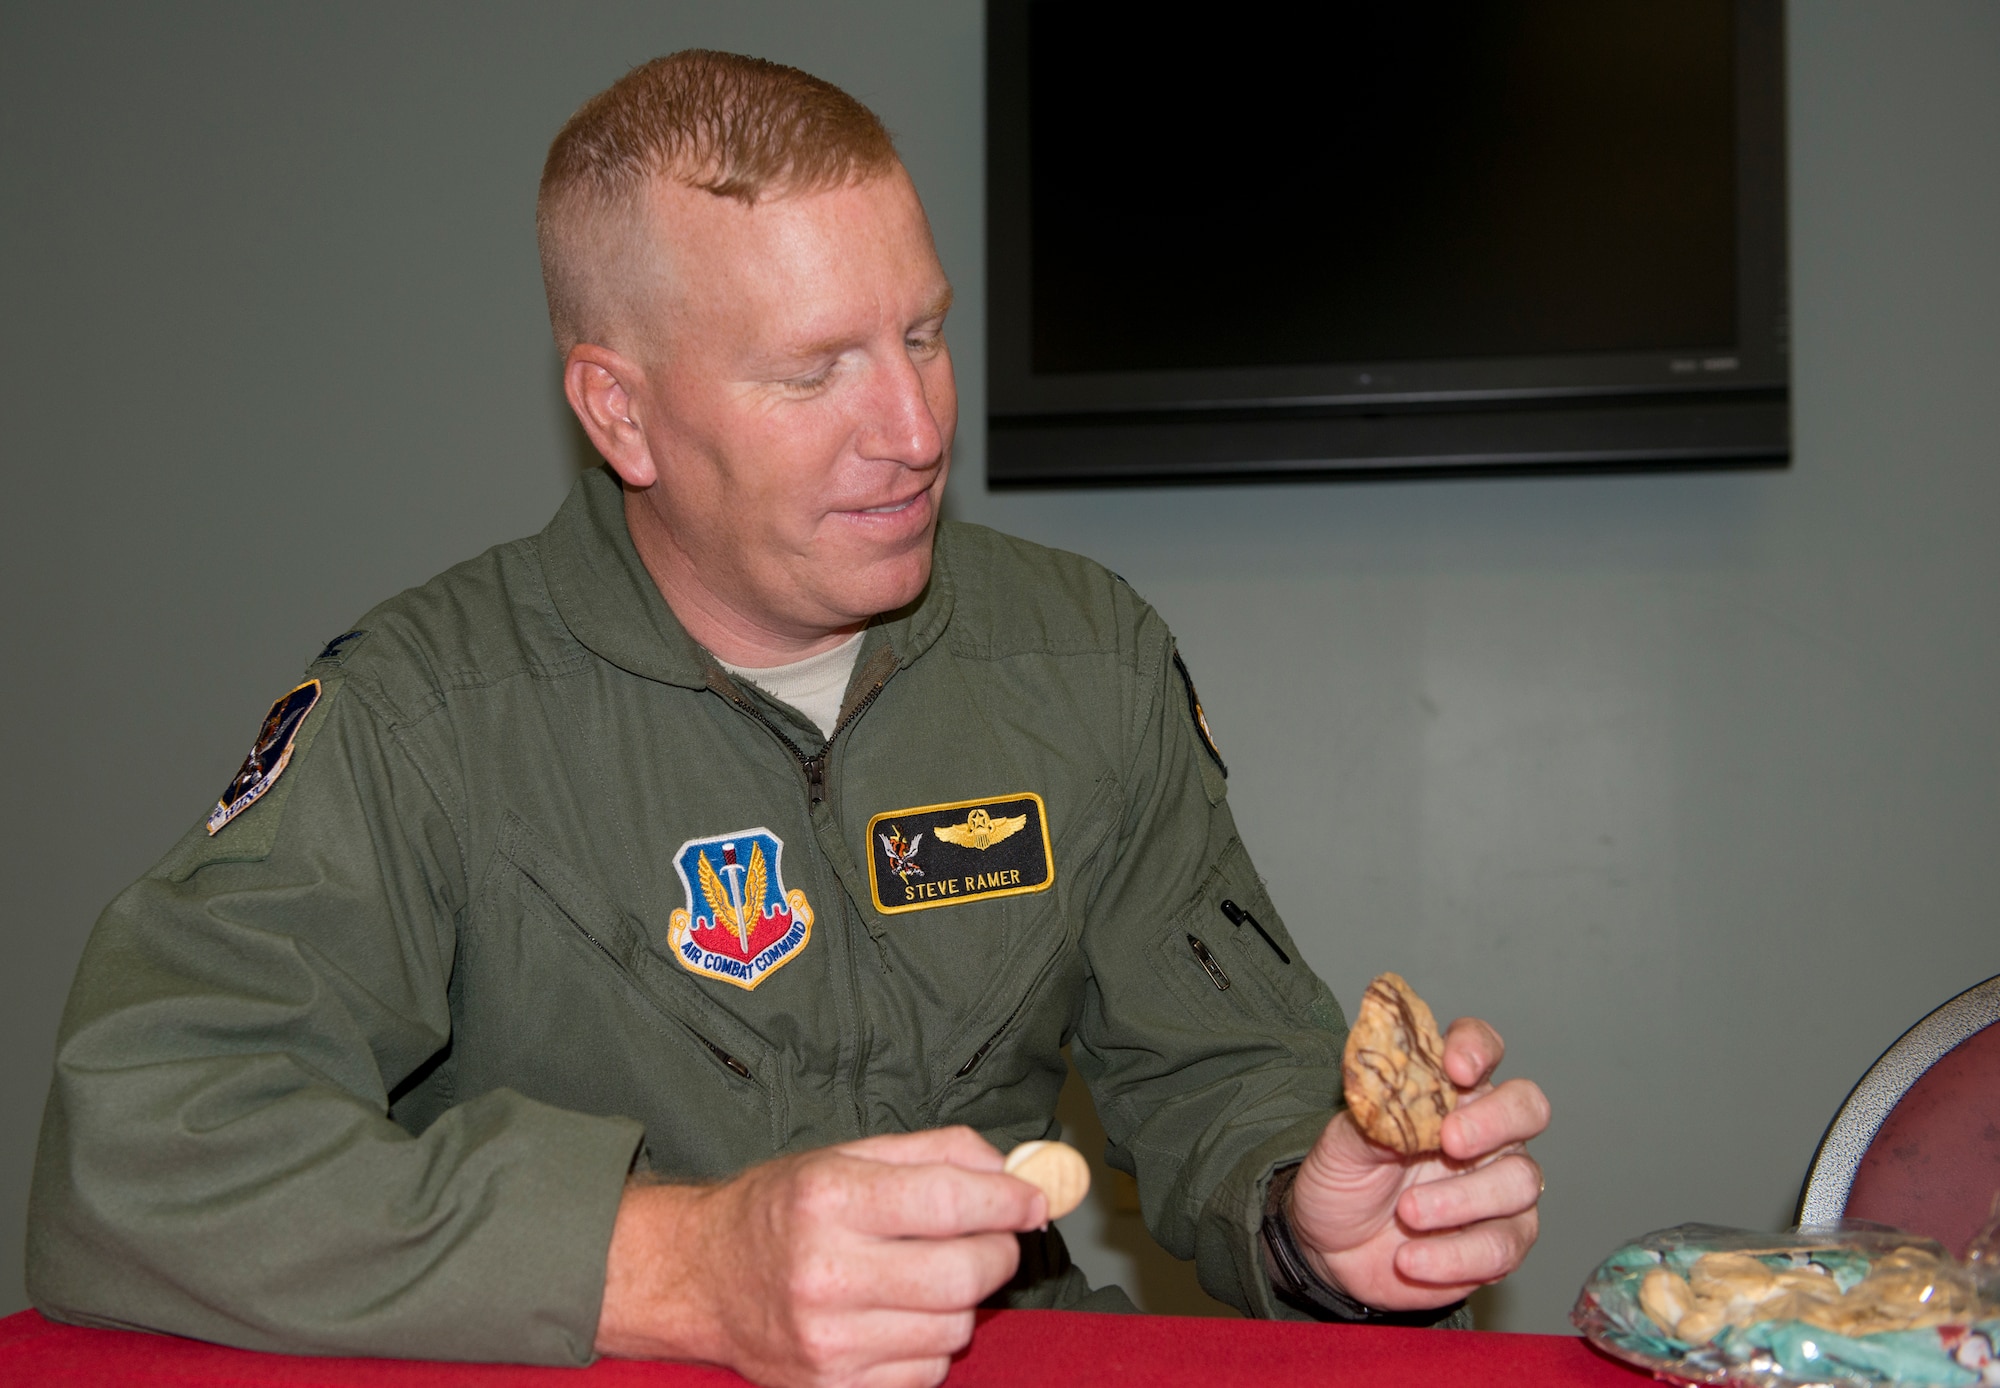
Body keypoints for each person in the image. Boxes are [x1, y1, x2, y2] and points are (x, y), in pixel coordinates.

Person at [27, 51, 1549, 1388]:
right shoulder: (427, 717)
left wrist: (1318, 1219)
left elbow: (1221, 1067)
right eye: (813, 370)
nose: (913, 430)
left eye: (925, 336)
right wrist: (685, 1267)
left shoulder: (1082, 658)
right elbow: (142, 1147)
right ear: (619, 413)